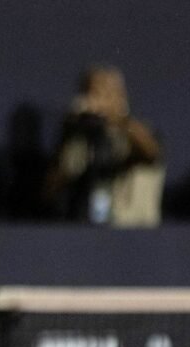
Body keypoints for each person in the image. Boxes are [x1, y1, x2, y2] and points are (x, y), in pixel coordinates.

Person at [44, 65, 164, 226]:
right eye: (89, 93)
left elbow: (151, 152)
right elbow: (50, 192)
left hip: (136, 232)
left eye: (103, 93)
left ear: (121, 96)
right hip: (91, 230)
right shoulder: (80, 140)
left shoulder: (138, 133)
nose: (94, 100)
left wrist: (115, 116)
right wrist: (69, 133)